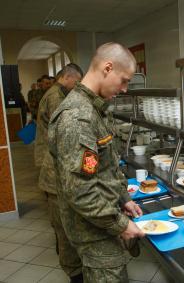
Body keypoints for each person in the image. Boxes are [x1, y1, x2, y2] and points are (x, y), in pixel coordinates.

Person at [48, 42, 144, 282]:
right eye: (124, 80)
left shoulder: (97, 109)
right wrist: (121, 224)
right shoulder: (77, 118)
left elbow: (104, 167)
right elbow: (81, 192)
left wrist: (124, 198)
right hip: (93, 230)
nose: (124, 89)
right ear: (107, 68)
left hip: (102, 220)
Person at [36, 64, 84, 282]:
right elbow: (65, 134)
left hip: (53, 167)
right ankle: (74, 273)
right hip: (54, 173)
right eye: (77, 82)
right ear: (67, 77)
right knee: (64, 228)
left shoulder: (55, 94)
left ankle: (70, 263)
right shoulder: (56, 97)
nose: (78, 87)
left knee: (61, 226)